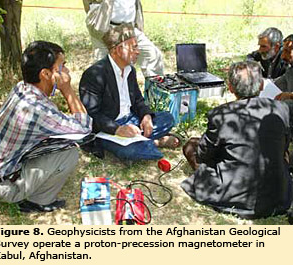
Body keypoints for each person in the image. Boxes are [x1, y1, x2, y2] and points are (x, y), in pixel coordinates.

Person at [181, 61, 292, 219]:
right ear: (261, 85)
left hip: (234, 195)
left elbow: (203, 154)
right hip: (277, 196)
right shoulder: (281, 109)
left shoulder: (221, 114)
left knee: (191, 145)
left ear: (231, 88)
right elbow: (284, 146)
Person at [0, 41, 92, 213]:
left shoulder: (21, 88)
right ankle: (37, 201)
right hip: (4, 185)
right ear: (46, 74)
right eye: (62, 66)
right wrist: (67, 90)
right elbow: (84, 130)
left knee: (58, 142)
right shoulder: (36, 110)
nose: (67, 72)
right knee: (69, 153)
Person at [79, 23, 179, 161]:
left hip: (132, 121)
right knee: (131, 151)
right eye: (134, 48)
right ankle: (155, 142)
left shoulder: (130, 70)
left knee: (168, 118)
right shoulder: (94, 74)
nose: (137, 51)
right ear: (117, 50)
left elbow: (138, 99)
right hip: (108, 128)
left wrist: (146, 116)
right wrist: (118, 129)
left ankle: (143, 141)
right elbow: (92, 115)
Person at [82, 0, 164, 77]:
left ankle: (155, 89)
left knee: (152, 55)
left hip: (129, 27)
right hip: (104, 27)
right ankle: (102, 90)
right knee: (103, 66)